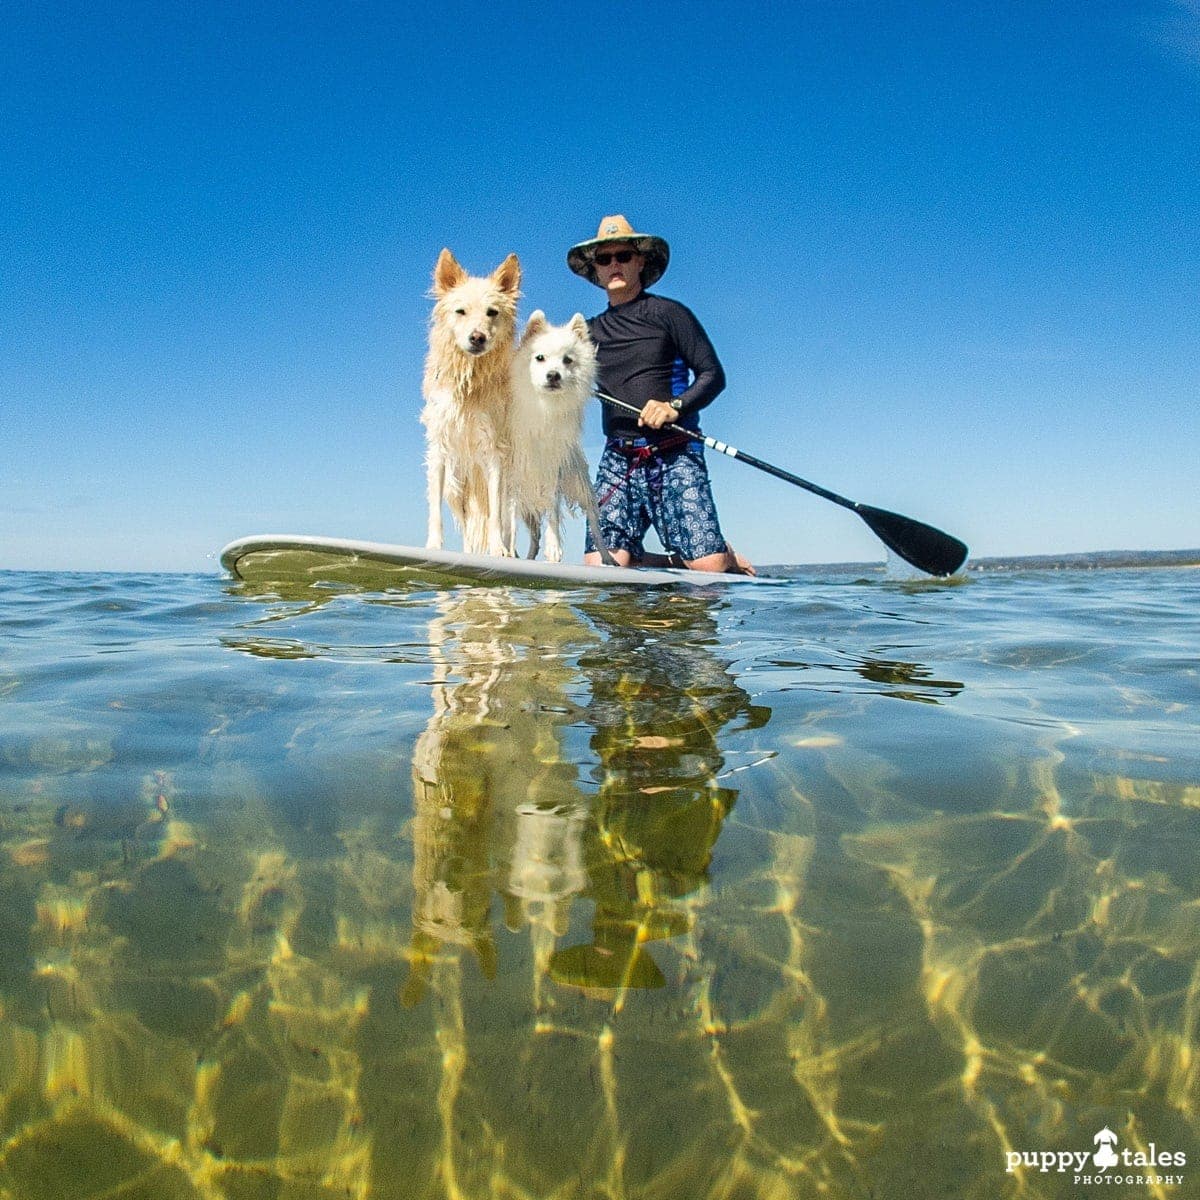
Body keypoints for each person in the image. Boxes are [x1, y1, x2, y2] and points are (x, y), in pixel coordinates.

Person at [567, 215, 752, 574]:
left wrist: (674, 407)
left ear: (640, 261)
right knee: (602, 567)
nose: (614, 264)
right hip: (618, 457)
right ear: (596, 270)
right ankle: (664, 561)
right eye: (604, 260)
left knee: (709, 571)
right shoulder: (586, 333)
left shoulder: (669, 313)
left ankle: (722, 554)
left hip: (675, 451)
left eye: (623, 255)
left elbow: (713, 375)